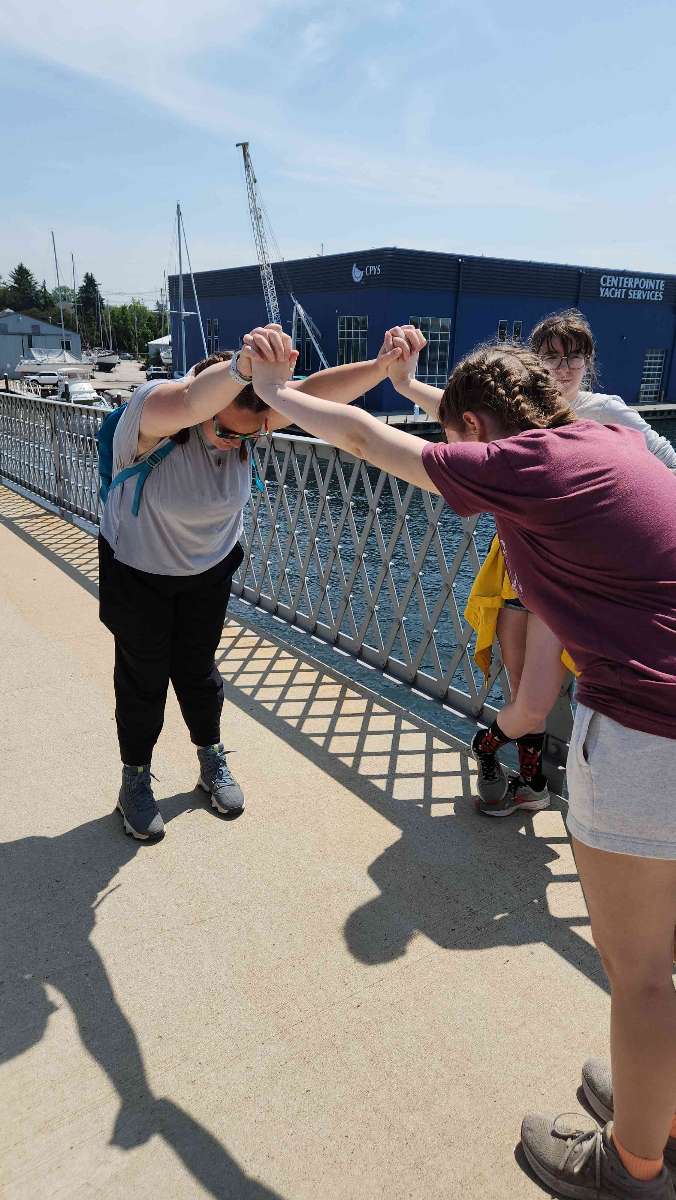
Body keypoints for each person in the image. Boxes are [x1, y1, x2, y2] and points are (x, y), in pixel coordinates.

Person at [248, 326, 676, 1200]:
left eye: (455, 441)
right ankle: (656, 1105)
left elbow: (368, 444)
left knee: (640, 977)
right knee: (662, 972)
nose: (451, 461)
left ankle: (634, 1166)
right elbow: (454, 419)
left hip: (645, 733)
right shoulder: (599, 436)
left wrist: (270, 395)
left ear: (480, 430)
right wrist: (414, 389)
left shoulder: (520, 466)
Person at [98, 327, 403, 842]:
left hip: (208, 571)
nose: (245, 442)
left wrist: (381, 368)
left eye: (254, 433)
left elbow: (317, 392)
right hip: (138, 571)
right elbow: (194, 397)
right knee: (143, 678)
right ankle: (135, 779)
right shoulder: (156, 415)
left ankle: (210, 757)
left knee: (198, 672)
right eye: (233, 433)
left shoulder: (248, 417)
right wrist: (244, 365)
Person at [384, 312, 676, 816]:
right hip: (516, 563)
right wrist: (408, 385)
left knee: (536, 698)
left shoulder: (604, 414)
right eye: (551, 356)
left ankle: (491, 748)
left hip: (572, 571)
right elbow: (464, 417)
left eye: (574, 355)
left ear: (590, 361)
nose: (562, 367)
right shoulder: (521, 411)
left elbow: (665, 462)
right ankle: (533, 781)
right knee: (521, 685)